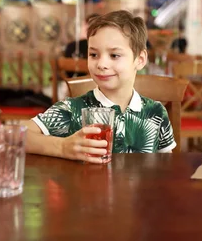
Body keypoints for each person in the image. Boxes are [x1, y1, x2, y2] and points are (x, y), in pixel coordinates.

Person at [26, 10, 176, 163]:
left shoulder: (156, 112)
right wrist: (63, 147)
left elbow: (168, 167)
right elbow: (19, 135)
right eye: (93, 55)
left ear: (140, 59)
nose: (101, 64)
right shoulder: (71, 109)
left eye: (114, 55)